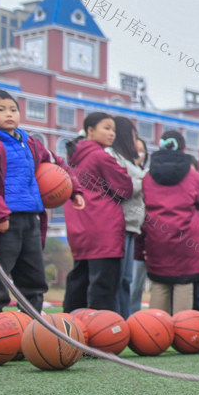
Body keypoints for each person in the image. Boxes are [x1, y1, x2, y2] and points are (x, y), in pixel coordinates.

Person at [0, 89, 85, 313]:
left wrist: (74, 190)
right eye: (0, 110)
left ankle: (32, 325)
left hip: (31, 218)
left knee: (33, 277)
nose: (8, 114)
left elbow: (57, 163)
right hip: (4, 221)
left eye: (13, 109)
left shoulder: (29, 142)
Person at [63, 112, 133, 313]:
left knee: (79, 281)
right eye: (106, 128)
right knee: (103, 286)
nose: (112, 133)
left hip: (79, 227)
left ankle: (69, 329)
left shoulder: (73, 159)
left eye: (113, 130)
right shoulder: (101, 156)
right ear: (90, 131)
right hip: (104, 228)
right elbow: (125, 189)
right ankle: (102, 335)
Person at [139, 131, 199, 315]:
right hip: (188, 239)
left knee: (159, 283)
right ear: (183, 148)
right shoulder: (194, 177)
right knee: (184, 284)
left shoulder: (147, 177)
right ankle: (182, 334)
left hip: (157, 237)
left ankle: (155, 334)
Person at [106, 116, 146, 319]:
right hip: (120, 224)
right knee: (119, 277)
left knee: (125, 278)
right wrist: (144, 180)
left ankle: (124, 319)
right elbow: (123, 188)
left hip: (131, 224)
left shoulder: (127, 159)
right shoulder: (112, 156)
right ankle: (118, 320)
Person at [129, 137, 150, 314]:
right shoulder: (122, 172)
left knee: (137, 285)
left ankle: (132, 319)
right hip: (128, 234)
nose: (138, 154)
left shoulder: (149, 176)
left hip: (144, 238)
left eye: (141, 150)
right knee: (127, 281)